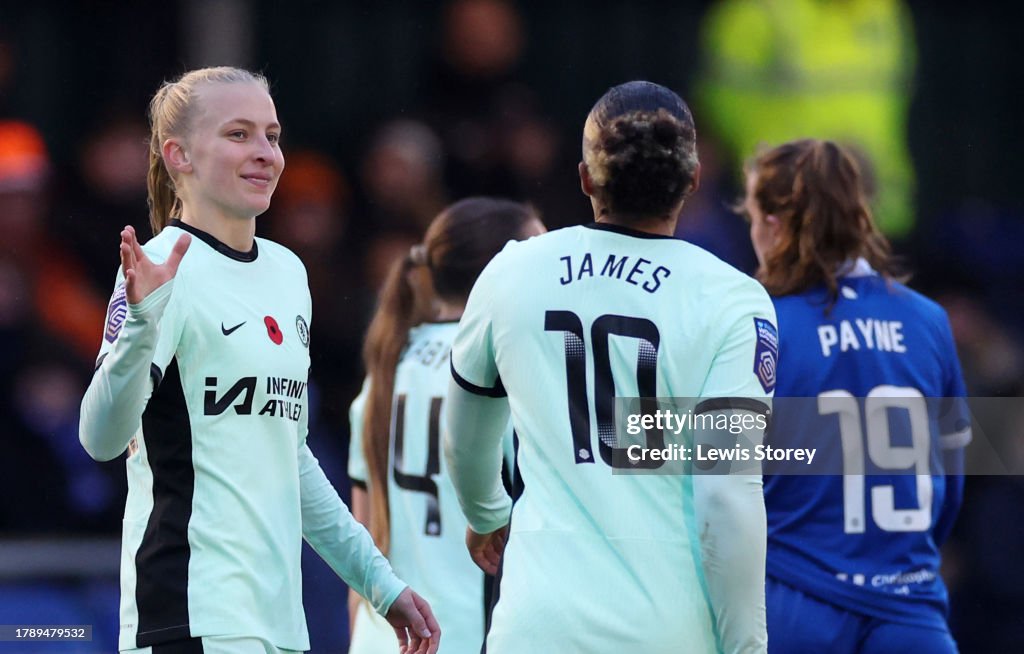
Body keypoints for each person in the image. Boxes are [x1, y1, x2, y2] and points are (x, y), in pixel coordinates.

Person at [78, 66, 439, 654]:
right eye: (239, 134)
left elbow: (291, 460)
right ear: (179, 156)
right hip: (188, 614)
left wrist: (380, 583)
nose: (266, 153)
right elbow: (100, 437)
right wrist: (142, 325)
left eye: (272, 135)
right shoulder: (158, 267)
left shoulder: (287, 273)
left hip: (278, 623)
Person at [444, 80, 776, 653]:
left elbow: (465, 433)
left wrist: (485, 510)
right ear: (693, 182)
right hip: (667, 630)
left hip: (536, 628)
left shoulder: (514, 271)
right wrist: (746, 645)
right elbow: (728, 495)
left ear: (585, 178)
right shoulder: (731, 298)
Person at [741, 138, 970, 653]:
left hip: (795, 608)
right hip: (912, 616)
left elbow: (720, 481)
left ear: (774, 227)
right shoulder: (929, 321)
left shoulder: (763, 325)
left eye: (752, 217)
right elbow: (952, 483)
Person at [347, 197, 545, 653]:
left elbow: (363, 537)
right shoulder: (507, 367)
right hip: (466, 636)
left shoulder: (388, 366)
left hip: (384, 641)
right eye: (537, 255)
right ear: (502, 271)